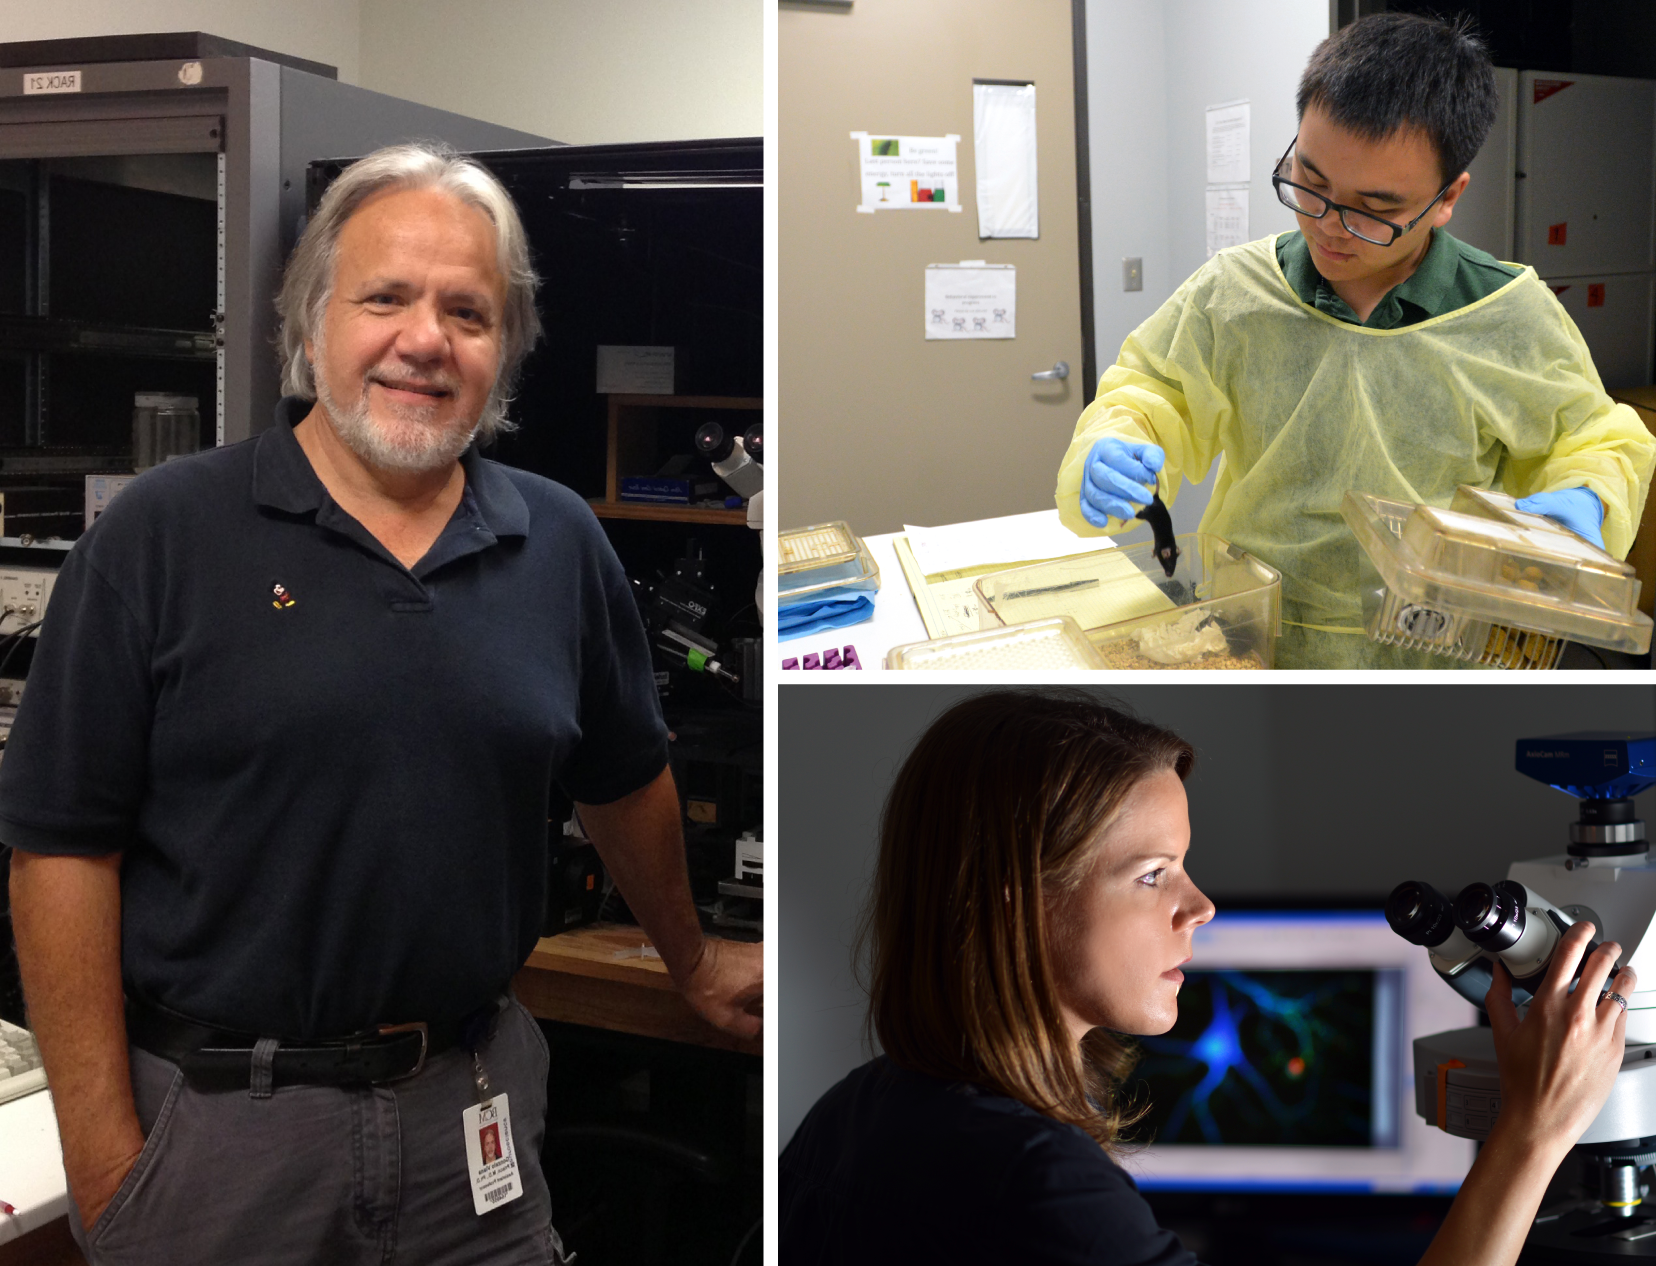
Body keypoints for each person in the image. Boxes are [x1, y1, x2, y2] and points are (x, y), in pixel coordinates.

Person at [3, 141, 762, 1265]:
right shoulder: (160, 537)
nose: (425, 340)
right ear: (312, 324)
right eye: (386, 298)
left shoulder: (557, 539)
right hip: (223, 1130)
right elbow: (60, 853)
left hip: (472, 1113)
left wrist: (691, 961)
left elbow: (623, 774)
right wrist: (107, 1157)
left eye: (468, 311)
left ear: (505, 353)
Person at [780, 690, 1634, 1265]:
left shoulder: (849, 1115)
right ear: (1015, 902)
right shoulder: (1042, 1186)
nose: (1201, 906)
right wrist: (1533, 1132)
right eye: (1153, 875)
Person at [1054, 14, 1656, 669]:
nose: (1330, 228)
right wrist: (1115, 442)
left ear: (1448, 196)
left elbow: (1592, 439)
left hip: (1434, 654)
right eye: (1309, 184)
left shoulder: (1509, 315)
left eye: (1373, 210)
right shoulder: (1234, 290)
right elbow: (1151, 390)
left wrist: (1589, 493)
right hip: (1251, 636)